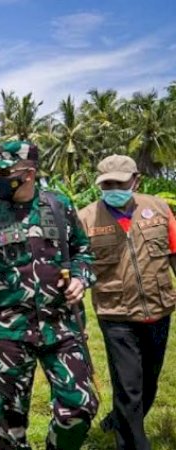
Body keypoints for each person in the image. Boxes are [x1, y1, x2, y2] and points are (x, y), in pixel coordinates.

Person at [0, 141, 98, 450]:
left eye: (3, 171)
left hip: (62, 326)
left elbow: (84, 253)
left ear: (28, 173)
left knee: (79, 407)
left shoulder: (58, 206)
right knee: (5, 412)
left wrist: (80, 276)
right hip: (10, 330)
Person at [78, 155, 176, 450]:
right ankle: (133, 444)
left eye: (120, 183)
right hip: (116, 315)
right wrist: (77, 322)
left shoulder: (159, 209)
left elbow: (173, 252)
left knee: (149, 384)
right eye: (107, 184)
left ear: (136, 181)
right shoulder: (85, 219)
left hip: (159, 310)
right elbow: (78, 272)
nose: (113, 188)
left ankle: (118, 421)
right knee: (129, 386)